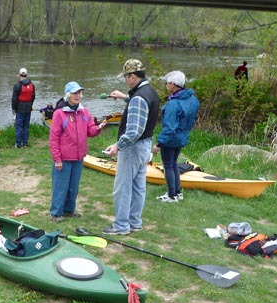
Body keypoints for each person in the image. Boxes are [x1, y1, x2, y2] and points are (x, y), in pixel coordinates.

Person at [102, 59, 159, 235]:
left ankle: (120, 226)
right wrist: (123, 97)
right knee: (138, 187)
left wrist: (117, 146)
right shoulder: (150, 92)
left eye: (126, 77)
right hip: (145, 147)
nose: (125, 80)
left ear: (133, 76)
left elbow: (134, 131)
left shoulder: (139, 98)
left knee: (123, 188)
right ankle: (135, 221)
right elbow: (140, 105)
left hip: (133, 149)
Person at [49, 81, 107, 222]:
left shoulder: (84, 111)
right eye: (75, 93)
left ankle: (69, 210)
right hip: (63, 158)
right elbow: (54, 138)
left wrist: (99, 128)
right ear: (68, 95)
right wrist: (57, 159)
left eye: (80, 93)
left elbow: (90, 131)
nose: (78, 96)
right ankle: (56, 213)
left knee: (73, 187)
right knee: (60, 186)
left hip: (79, 157)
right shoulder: (59, 114)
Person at [152, 71, 200, 203]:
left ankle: (171, 195)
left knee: (168, 165)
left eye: (167, 83)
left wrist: (158, 144)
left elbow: (169, 128)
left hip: (170, 139)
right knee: (173, 164)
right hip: (182, 137)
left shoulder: (174, 104)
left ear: (173, 85)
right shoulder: (192, 99)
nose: (166, 85)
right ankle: (178, 193)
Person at [11, 67, 36, 149]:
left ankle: (18, 144)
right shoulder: (32, 85)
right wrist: (30, 105)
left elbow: (14, 99)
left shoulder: (17, 85)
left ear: (19, 75)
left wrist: (13, 109)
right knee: (26, 126)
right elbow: (33, 97)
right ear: (26, 75)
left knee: (19, 126)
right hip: (28, 107)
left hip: (20, 108)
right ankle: (25, 143)